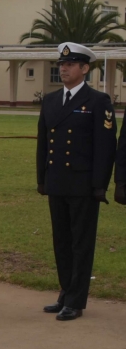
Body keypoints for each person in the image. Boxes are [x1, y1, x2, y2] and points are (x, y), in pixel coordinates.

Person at [37, 43, 116, 322]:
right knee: (61, 241)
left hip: (83, 185)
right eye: (62, 64)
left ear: (85, 69)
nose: (64, 68)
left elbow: (105, 148)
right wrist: (42, 179)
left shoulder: (98, 102)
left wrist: (99, 186)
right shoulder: (50, 100)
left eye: (70, 65)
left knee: (81, 243)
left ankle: (76, 300)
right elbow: (43, 143)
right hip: (57, 182)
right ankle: (66, 292)